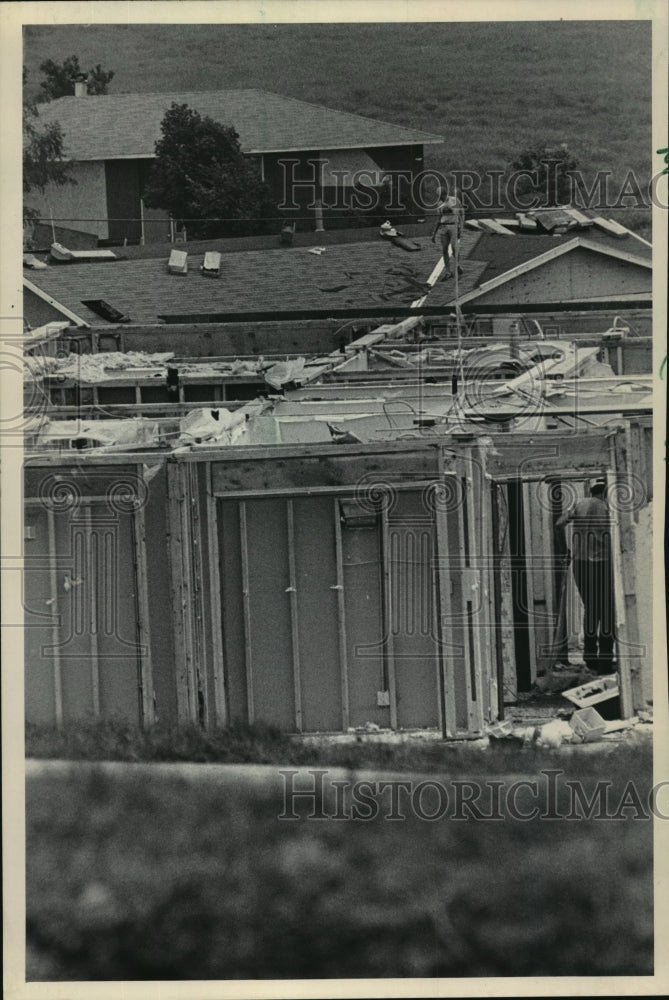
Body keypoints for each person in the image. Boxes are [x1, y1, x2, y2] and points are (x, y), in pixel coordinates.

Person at [556, 478, 616, 674]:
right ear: (606, 491)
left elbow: (559, 524)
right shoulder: (607, 509)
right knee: (606, 611)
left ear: (591, 490)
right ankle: (605, 661)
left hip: (581, 564)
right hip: (603, 564)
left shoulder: (579, 505)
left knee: (591, 608)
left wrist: (564, 548)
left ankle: (590, 658)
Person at [431, 188, 464, 278]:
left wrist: (461, 226)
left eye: (441, 195)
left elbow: (461, 213)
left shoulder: (454, 200)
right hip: (443, 226)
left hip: (453, 225)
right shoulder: (439, 204)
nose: (440, 198)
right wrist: (434, 234)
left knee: (454, 248)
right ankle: (448, 271)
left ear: (444, 194)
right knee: (444, 249)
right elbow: (438, 219)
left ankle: (457, 265)